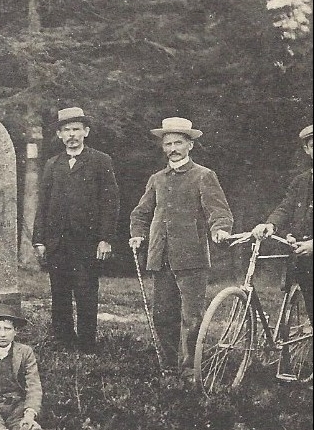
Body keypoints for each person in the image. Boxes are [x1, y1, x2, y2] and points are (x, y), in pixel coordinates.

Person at [129, 117, 233, 377]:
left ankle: (189, 371)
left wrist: (220, 230)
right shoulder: (157, 179)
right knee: (163, 316)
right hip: (161, 256)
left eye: (178, 143)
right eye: (168, 144)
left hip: (191, 258)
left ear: (190, 145)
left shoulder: (204, 175)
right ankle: (169, 366)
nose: (173, 148)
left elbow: (218, 211)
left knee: (191, 318)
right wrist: (138, 234)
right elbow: (141, 213)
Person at [32, 107, 120, 353]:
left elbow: (110, 203)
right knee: (59, 293)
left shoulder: (100, 161)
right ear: (59, 134)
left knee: (85, 293)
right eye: (66, 130)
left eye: (76, 129)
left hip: (86, 242)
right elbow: (43, 204)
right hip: (57, 242)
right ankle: (63, 341)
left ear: (86, 132)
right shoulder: (53, 164)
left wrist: (105, 239)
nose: (72, 135)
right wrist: (39, 240)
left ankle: (86, 345)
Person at [251, 124, 313, 320]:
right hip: (303, 260)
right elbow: (285, 208)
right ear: (307, 150)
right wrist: (270, 225)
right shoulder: (301, 181)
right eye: (313, 146)